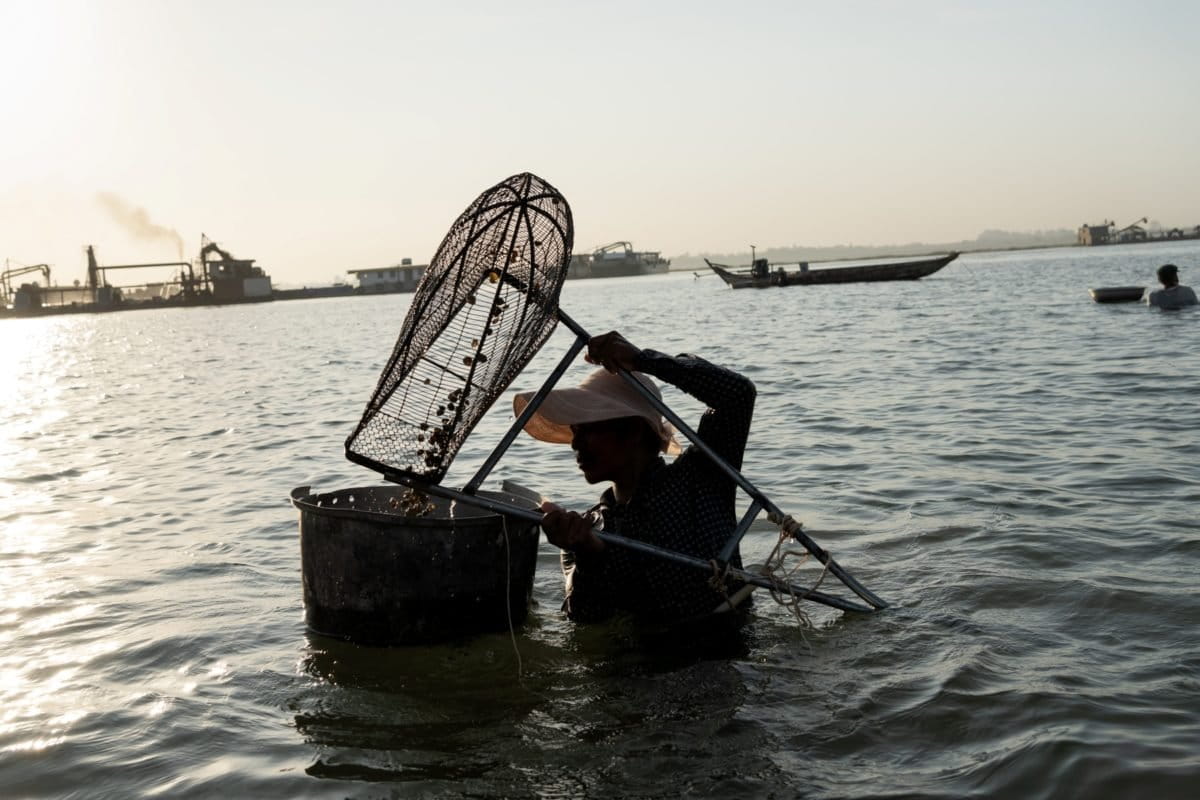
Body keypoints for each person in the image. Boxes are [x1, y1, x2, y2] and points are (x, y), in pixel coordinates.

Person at [513, 331, 756, 627]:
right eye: (576, 432)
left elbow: (737, 395)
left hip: (724, 656)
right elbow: (583, 622)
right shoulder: (586, 528)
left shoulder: (701, 478)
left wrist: (644, 360)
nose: (576, 444)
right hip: (646, 663)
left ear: (634, 431)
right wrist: (589, 554)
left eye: (589, 429)